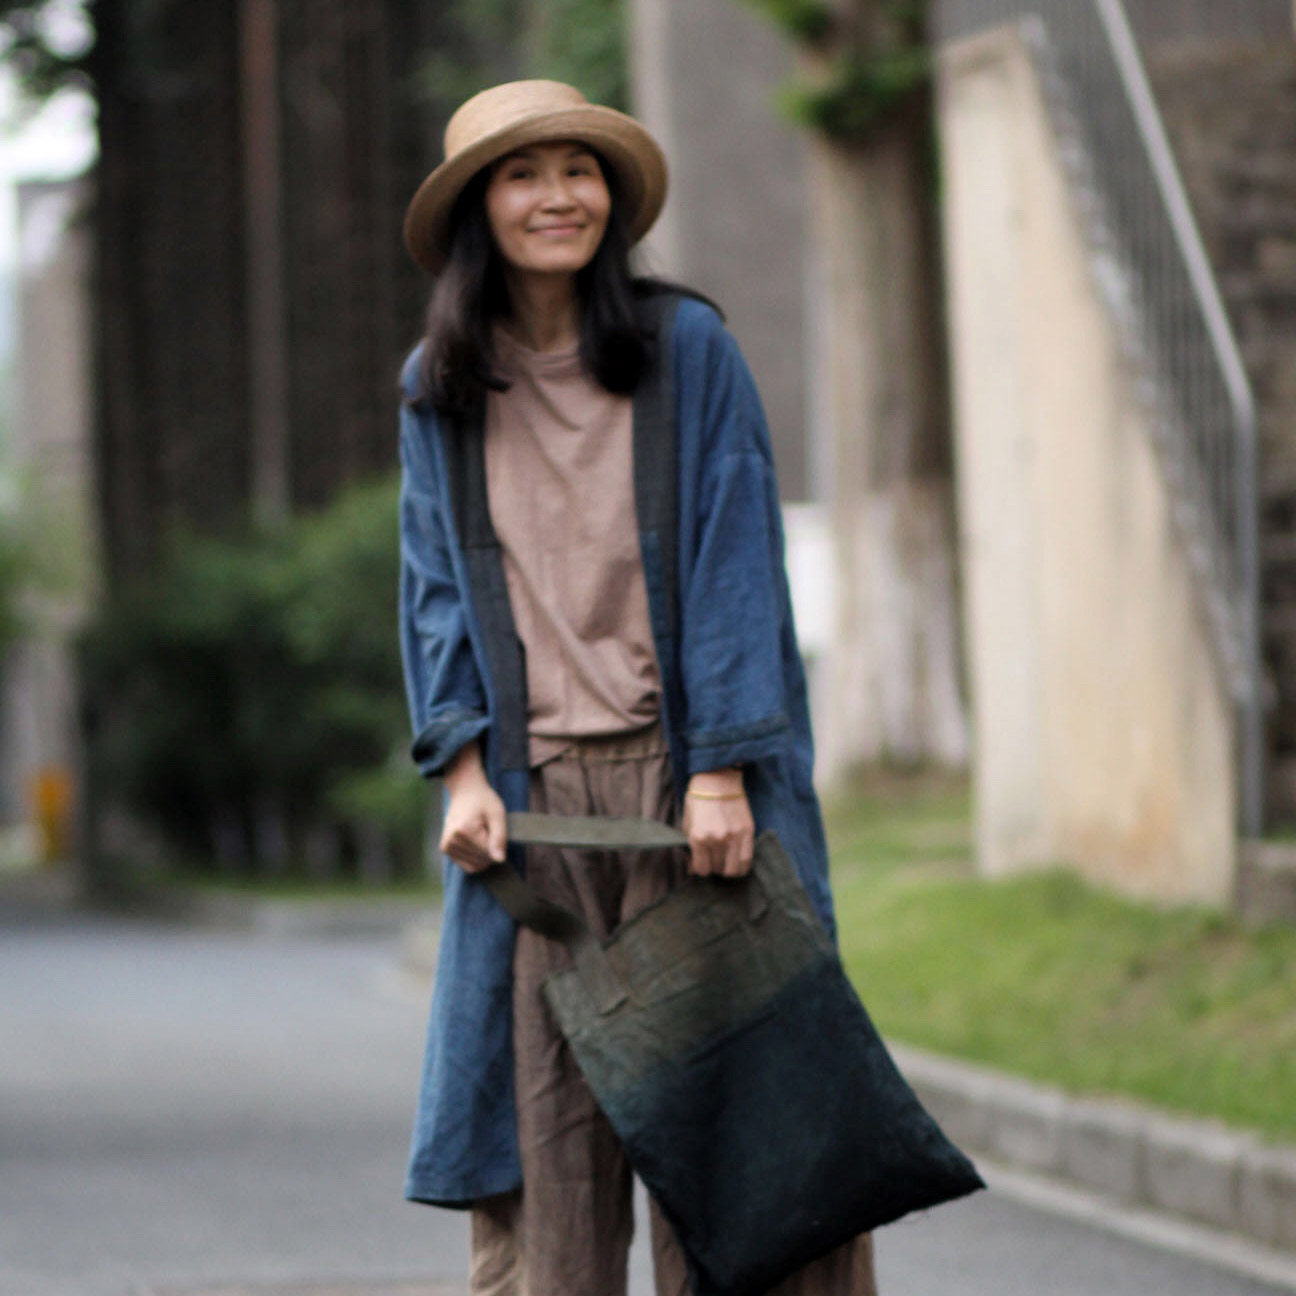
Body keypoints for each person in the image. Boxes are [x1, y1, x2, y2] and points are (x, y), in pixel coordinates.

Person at [398, 79, 878, 1296]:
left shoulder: (686, 351)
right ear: (478, 208)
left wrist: (721, 771)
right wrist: (461, 771)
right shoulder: (440, 384)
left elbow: (734, 558)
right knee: (548, 1169)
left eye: (579, 169)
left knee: (744, 1161)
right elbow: (434, 586)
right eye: (523, 174)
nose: (557, 195)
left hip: (687, 801)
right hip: (534, 814)